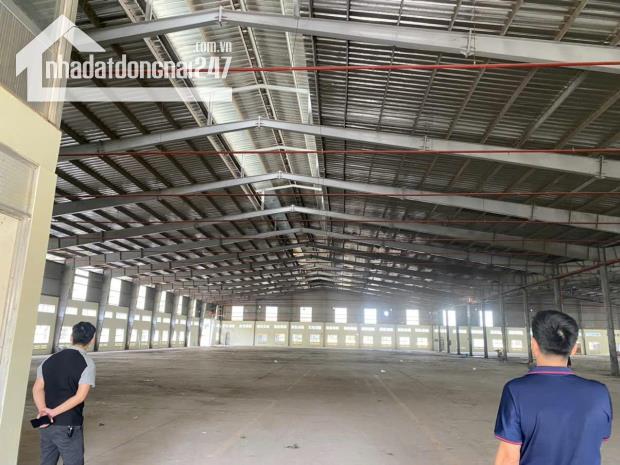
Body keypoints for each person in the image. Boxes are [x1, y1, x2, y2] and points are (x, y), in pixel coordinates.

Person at [493, 310, 613, 465]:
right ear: (574, 349)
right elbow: (597, 441)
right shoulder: (599, 393)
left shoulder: (516, 391)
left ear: (534, 345)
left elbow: (508, 459)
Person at [32, 321, 97, 465]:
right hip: (69, 425)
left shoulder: (49, 359)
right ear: (92, 340)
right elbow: (80, 397)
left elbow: (37, 388)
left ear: (71, 337)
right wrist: (52, 413)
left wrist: (43, 411)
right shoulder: (87, 363)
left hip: (45, 423)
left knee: (46, 461)